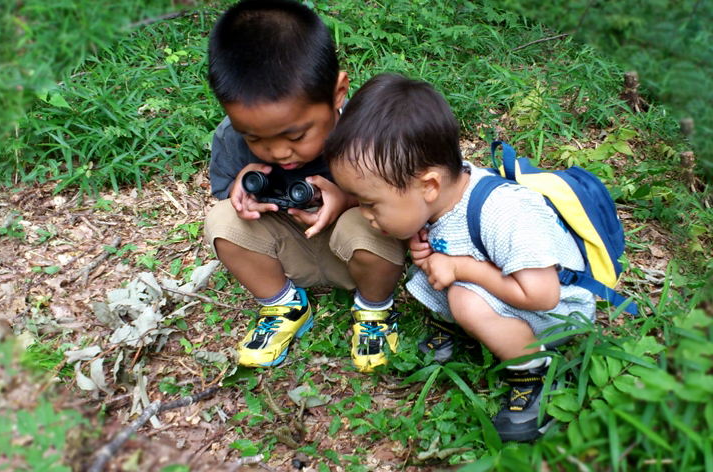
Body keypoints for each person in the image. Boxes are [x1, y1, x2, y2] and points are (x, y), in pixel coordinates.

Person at [324, 74, 596, 442]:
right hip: (510, 288)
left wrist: (461, 268)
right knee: (454, 287)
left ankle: (535, 371)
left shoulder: (504, 213)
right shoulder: (437, 198)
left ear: (430, 186)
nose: (365, 214)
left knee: (464, 298)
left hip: (559, 311)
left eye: (371, 204)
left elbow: (543, 294)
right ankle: (461, 324)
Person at [203, 0, 406, 372]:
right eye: (255, 138)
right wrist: (241, 193)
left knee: (374, 222)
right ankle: (284, 303)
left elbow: (406, 207)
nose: (279, 151)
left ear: (337, 93)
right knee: (221, 220)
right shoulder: (230, 139)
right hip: (288, 252)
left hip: (353, 252)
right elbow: (229, 205)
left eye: (296, 134)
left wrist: (346, 199)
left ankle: (375, 310)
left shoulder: (368, 135)